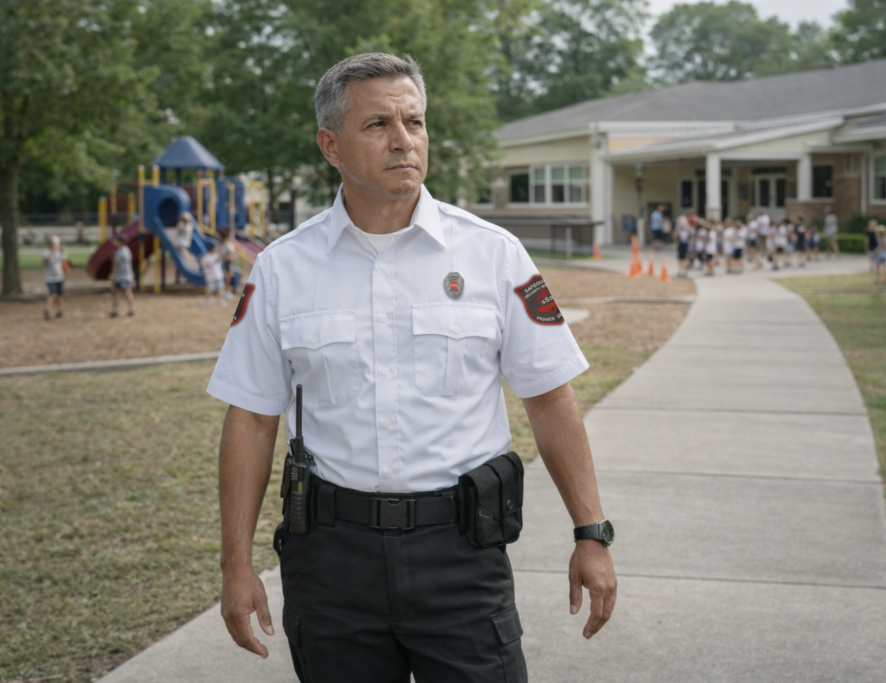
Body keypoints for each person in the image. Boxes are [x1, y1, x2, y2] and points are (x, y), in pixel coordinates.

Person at [206, 53, 616, 683]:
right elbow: (253, 420)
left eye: (415, 122)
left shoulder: (493, 255)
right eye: (378, 125)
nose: (404, 141)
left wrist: (591, 532)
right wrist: (237, 565)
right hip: (331, 562)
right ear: (330, 145)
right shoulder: (284, 269)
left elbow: (549, 398)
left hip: (460, 555)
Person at [110, 233, 135, 317]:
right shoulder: (127, 250)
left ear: (121, 242)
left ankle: (116, 310)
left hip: (121, 275)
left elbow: (115, 264)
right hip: (127, 274)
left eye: (117, 240)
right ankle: (130, 309)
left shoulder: (119, 252)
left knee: (121, 291)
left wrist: (112, 273)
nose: (115, 241)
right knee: (126, 291)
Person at [42, 235, 66, 320]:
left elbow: (63, 262)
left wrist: (62, 252)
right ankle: (47, 310)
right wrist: (52, 253)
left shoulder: (60, 252)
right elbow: (44, 262)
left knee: (59, 295)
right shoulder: (46, 252)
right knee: (53, 294)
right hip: (50, 278)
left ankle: (60, 311)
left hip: (59, 277)